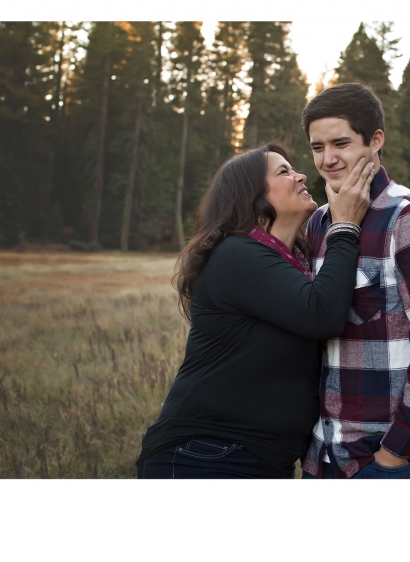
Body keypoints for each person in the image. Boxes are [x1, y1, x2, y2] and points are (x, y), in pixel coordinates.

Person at [136, 142, 376, 478]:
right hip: (206, 455)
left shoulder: (296, 264)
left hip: (260, 457)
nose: (301, 175)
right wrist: (346, 225)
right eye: (284, 171)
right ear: (254, 196)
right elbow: (322, 314)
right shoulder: (236, 254)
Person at [300, 83, 410, 479]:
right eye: (317, 147)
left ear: (376, 140)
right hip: (323, 454)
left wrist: (396, 452)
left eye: (341, 143)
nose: (328, 159)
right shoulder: (318, 223)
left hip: (384, 456)